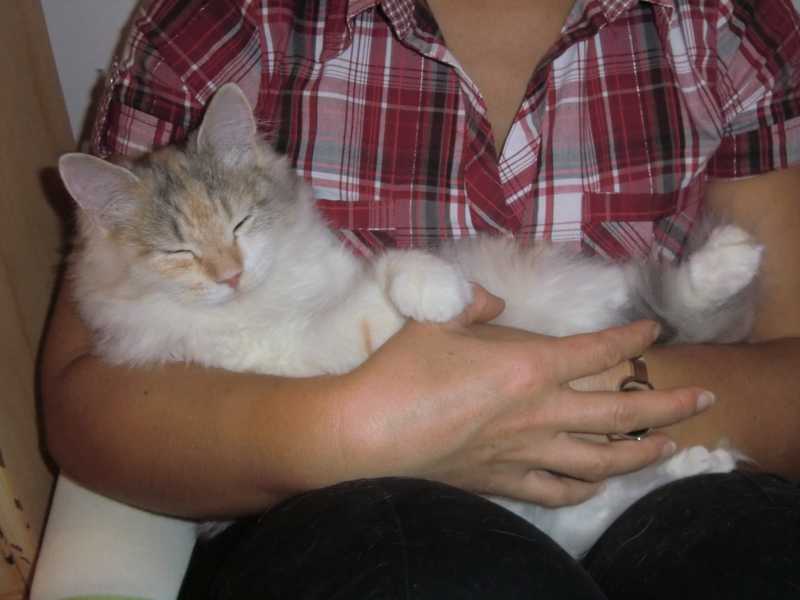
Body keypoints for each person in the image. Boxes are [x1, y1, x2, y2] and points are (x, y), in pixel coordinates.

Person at [40, 0, 800, 597]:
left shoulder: (724, 21)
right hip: (333, 509)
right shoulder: (223, 21)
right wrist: (355, 432)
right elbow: (89, 402)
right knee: (424, 563)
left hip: (665, 466)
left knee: (752, 554)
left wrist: (562, 401)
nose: (227, 268)